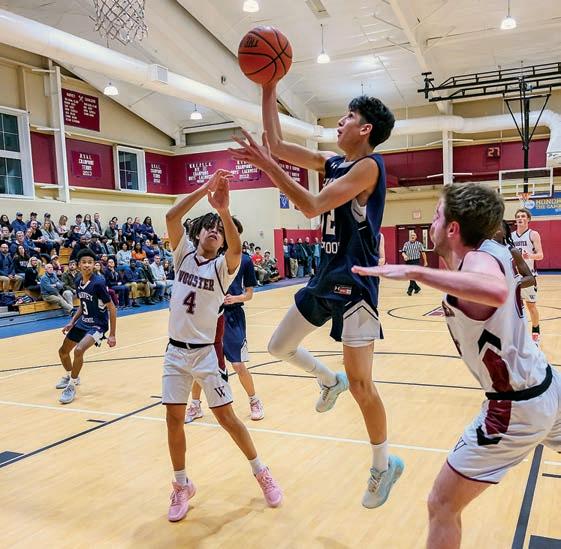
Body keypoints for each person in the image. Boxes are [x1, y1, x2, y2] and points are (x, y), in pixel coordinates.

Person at [352, 183, 561, 549]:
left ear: (452, 228)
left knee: (442, 504)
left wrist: (417, 273)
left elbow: (494, 290)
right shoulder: (492, 248)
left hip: (514, 408)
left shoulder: (479, 262)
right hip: (548, 383)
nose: (430, 222)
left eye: (436, 215)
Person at [230, 86, 401, 508]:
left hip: (356, 286)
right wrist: (269, 88)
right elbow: (276, 144)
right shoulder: (334, 162)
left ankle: (384, 465)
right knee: (278, 346)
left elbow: (310, 206)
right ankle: (328, 379)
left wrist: (268, 167)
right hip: (325, 278)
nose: (339, 122)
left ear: (365, 129)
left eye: (348, 116)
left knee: (362, 385)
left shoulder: (368, 168)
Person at [162, 169, 282, 522]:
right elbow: (171, 217)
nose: (214, 230)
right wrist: (204, 188)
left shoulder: (223, 268)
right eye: (209, 226)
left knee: (227, 418)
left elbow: (237, 248)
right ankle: (181, 484)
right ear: (198, 232)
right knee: (173, 419)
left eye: (220, 229)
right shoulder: (183, 254)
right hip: (174, 352)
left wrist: (224, 210)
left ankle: (261, 471)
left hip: (204, 353)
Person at [186, 217, 264, 424]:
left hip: (232, 317)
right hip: (209, 316)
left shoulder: (244, 260)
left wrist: (235, 298)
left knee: (238, 364)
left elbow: (249, 294)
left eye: (233, 231)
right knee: (200, 365)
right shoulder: (212, 256)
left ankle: (254, 400)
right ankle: (195, 405)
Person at [57, 248, 117, 404]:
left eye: (90, 262)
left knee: (79, 350)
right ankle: (71, 375)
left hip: (98, 325)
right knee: (63, 352)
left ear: (94, 264)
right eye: (84, 262)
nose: (87, 265)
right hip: (83, 322)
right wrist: (72, 322)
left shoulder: (98, 283)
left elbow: (112, 308)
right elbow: (82, 305)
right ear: (78, 265)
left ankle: (71, 386)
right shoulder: (78, 281)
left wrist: (112, 334)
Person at [512, 208, 544, 343]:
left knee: (531, 306)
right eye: (518, 216)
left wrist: (530, 256)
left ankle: (536, 332)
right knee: (516, 308)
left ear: (528, 219)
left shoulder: (533, 234)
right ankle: (519, 334)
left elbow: (541, 255)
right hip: (514, 277)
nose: (520, 218)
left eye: (523, 216)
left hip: (529, 276)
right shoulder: (510, 236)